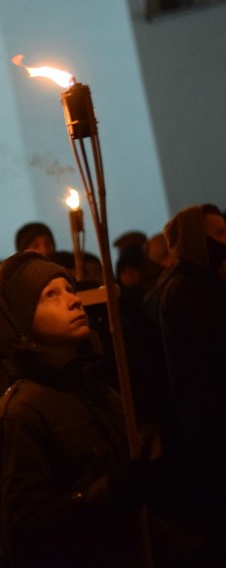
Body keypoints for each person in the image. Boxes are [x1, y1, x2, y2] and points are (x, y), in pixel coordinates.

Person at [0, 252, 171, 567]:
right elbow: (27, 531)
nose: (73, 301)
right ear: (19, 321)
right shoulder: (17, 415)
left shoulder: (97, 388)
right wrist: (109, 491)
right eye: (50, 295)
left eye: (70, 290)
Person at [147, 203, 226, 562]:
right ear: (198, 241)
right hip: (212, 434)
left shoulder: (191, 284)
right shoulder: (186, 289)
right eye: (220, 235)